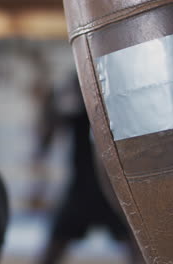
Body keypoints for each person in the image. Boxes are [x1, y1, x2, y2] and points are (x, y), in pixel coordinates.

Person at [32, 71, 142, 264]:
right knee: (53, 248)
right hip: (87, 187)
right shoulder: (76, 83)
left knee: (139, 248)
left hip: (112, 188)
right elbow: (49, 130)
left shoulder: (113, 81)